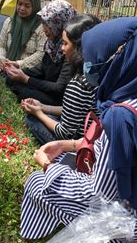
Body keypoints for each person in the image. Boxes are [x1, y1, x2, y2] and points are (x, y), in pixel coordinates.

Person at [20, 17, 137, 243]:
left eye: (93, 57)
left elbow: (99, 194)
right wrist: (71, 145)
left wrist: (48, 168)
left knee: (38, 184)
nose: (87, 64)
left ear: (114, 60)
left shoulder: (120, 116)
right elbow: (128, 156)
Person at [21, 14, 100, 145]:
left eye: (65, 43)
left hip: (77, 145)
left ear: (79, 47)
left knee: (32, 120)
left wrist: (38, 113)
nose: (62, 49)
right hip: (92, 135)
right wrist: (42, 107)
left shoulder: (78, 83)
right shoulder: (98, 72)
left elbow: (65, 133)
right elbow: (76, 110)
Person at [5, 0, 77, 105]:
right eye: (43, 24)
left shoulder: (70, 49)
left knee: (24, 93)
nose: (44, 29)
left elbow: (59, 88)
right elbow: (43, 68)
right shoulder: (52, 44)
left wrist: (26, 79)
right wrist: (18, 70)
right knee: (11, 80)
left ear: (59, 23)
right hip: (46, 85)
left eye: (48, 24)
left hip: (58, 97)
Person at [0, 0, 46, 72]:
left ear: (35, 6)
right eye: (19, 4)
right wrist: (1, 59)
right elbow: (1, 46)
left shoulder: (42, 26)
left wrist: (19, 64)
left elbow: (41, 54)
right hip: (6, 67)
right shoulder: (10, 22)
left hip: (28, 71)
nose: (22, 8)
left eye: (27, 6)